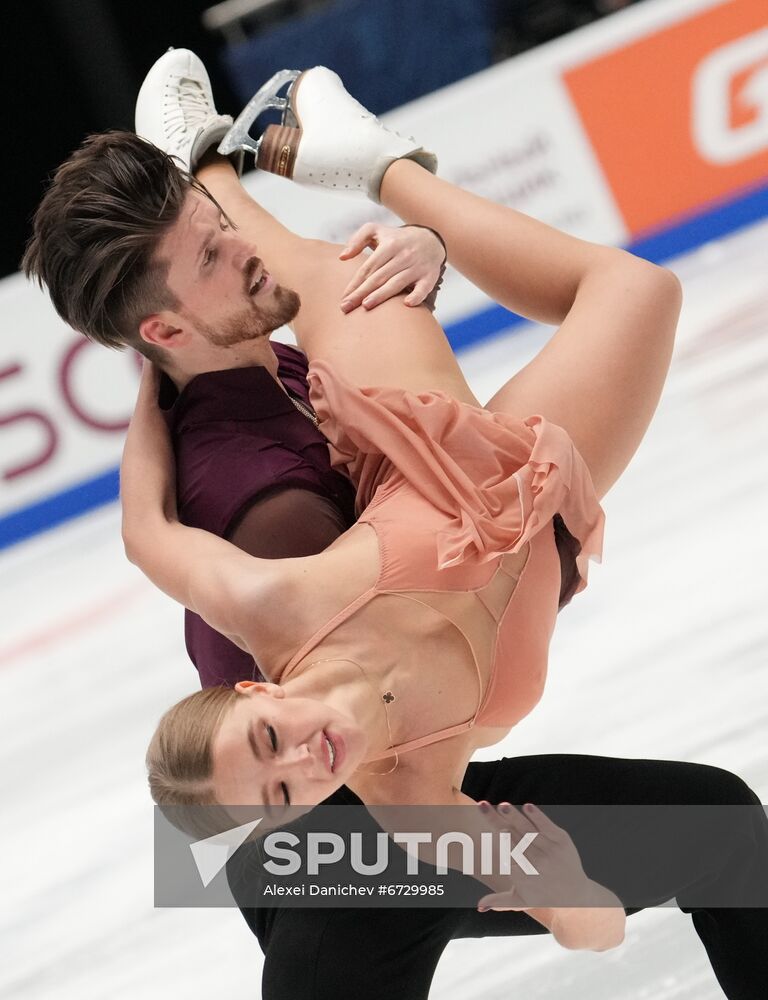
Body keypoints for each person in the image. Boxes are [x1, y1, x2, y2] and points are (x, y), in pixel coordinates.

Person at [23, 50, 768, 998]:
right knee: (358, 870)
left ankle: (219, 161)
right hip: (305, 848)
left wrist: (422, 247)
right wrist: (555, 887)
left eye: (215, 230)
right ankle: (303, 165)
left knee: (724, 826)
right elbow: (327, 751)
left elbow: (145, 531)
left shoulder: (246, 339)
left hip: (437, 582)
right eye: (209, 250)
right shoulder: (271, 524)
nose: (237, 252)